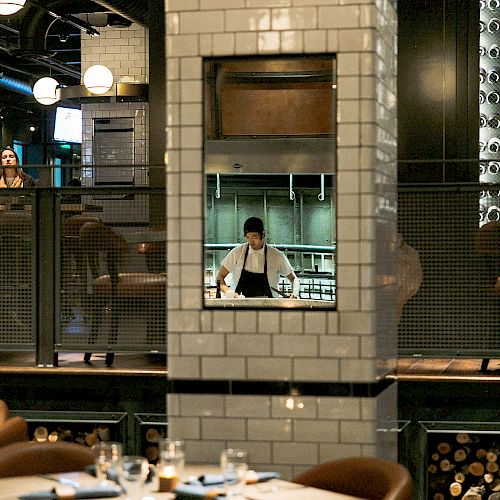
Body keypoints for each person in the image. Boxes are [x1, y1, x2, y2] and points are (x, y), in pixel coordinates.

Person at [216, 217, 300, 299]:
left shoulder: (276, 255)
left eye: (254, 237)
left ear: (263, 234)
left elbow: (293, 278)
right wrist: (229, 292)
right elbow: (220, 277)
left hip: (269, 307)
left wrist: (295, 293)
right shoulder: (237, 253)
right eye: (248, 237)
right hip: (239, 305)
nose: (250, 241)